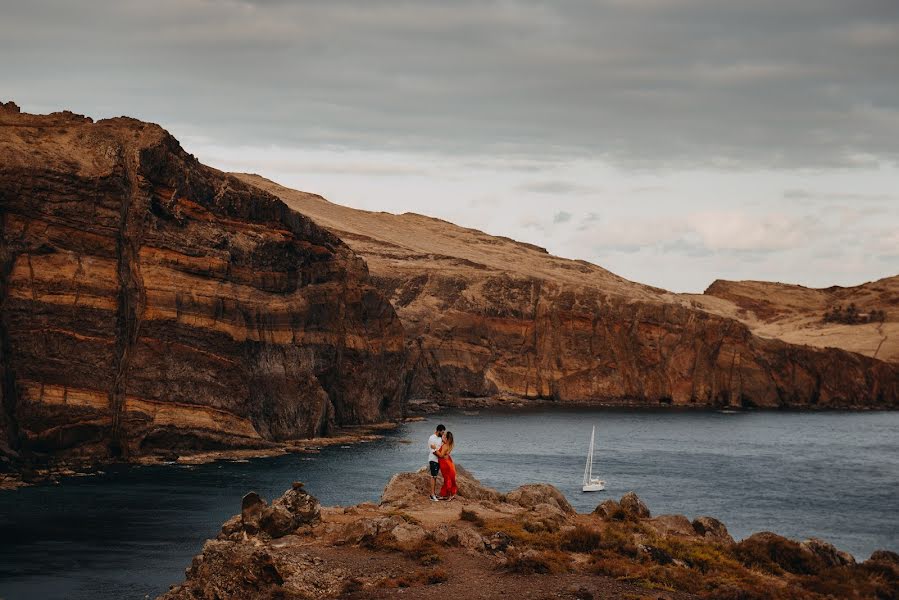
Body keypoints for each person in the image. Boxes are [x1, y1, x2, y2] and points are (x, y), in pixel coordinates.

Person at [436, 431, 457, 501]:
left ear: (447, 438)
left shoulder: (445, 445)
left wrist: (434, 449)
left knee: (447, 479)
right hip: (449, 462)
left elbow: (441, 455)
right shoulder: (449, 444)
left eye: (444, 436)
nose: (443, 436)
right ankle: (445, 494)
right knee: (448, 479)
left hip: (445, 464)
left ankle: (449, 496)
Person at [427, 424, 446, 502]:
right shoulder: (432, 438)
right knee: (433, 476)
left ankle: (433, 494)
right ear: (438, 431)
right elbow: (433, 451)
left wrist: (443, 438)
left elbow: (445, 444)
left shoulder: (440, 437)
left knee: (435, 476)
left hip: (439, 460)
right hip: (433, 460)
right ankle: (432, 495)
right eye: (442, 432)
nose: (443, 433)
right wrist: (441, 456)